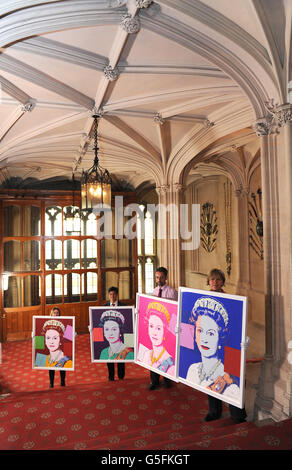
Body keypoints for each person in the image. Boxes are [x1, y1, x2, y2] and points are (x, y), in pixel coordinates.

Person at [200, 268, 247, 423]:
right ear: (208, 281)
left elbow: (237, 323)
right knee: (211, 378)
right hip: (212, 349)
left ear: (223, 282)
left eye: (218, 279)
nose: (215, 282)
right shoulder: (202, 300)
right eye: (212, 279)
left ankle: (238, 414)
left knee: (233, 379)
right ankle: (214, 411)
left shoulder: (231, 300)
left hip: (230, 347)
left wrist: (243, 338)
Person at [149, 267, 178, 390]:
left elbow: (175, 311)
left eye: (161, 277)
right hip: (156, 328)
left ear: (166, 278)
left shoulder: (172, 292)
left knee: (167, 354)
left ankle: (167, 379)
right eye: (157, 277)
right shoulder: (155, 291)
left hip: (167, 330)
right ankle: (154, 381)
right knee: (154, 353)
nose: (159, 279)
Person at [103, 286, 129, 381]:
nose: (112, 296)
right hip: (109, 336)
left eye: (114, 294)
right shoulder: (104, 307)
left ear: (117, 295)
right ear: (108, 295)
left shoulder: (124, 306)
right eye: (110, 294)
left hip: (121, 336)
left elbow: (128, 322)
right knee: (109, 357)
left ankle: (121, 376)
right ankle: (111, 376)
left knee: (121, 356)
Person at [142, 301, 175, 375]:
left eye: (158, 328)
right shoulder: (146, 354)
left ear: (165, 331)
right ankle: (154, 381)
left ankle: (167, 382)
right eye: (151, 326)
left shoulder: (170, 363)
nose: (154, 332)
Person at [44, 307, 72, 388]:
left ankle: (63, 381)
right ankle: (51, 383)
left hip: (61, 351)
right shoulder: (46, 322)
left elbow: (68, 340)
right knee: (50, 366)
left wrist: (72, 334)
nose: (55, 314)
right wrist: (35, 336)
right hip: (50, 354)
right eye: (54, 313)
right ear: (51, 314)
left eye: (57, 313)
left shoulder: (65, 322)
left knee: (63, 365)